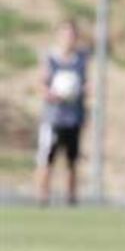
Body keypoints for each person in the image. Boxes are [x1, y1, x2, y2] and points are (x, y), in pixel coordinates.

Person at [35, 19, 90, 206]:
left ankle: (71, 199)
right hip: (53, 118)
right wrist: (51, 94)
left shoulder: (81, 59)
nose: (69, 38)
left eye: (72, 34)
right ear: (58, 35)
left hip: (73, 118)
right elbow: (41, 84)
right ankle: (43, 197)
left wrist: (81, 91)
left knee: (72, 160)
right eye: (65, 33)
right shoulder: (51, 58)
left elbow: (86, 84)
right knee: (47, 159)